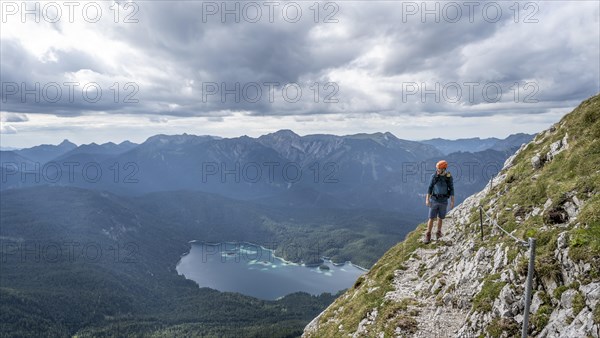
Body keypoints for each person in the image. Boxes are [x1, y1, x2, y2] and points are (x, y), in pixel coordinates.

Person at [424, 160, 455, 244]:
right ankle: (428, 234)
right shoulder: (434, 176)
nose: (437, 170)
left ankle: (438, 232)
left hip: (444, 200)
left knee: (440, 217)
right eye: (437, 168)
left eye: (439, 169)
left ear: (444, 169)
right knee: (431, 218)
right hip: (434, 200)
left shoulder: (448, 177)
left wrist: (452, 201)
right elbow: (430, 188)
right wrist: (427, 199)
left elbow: (451, 189)